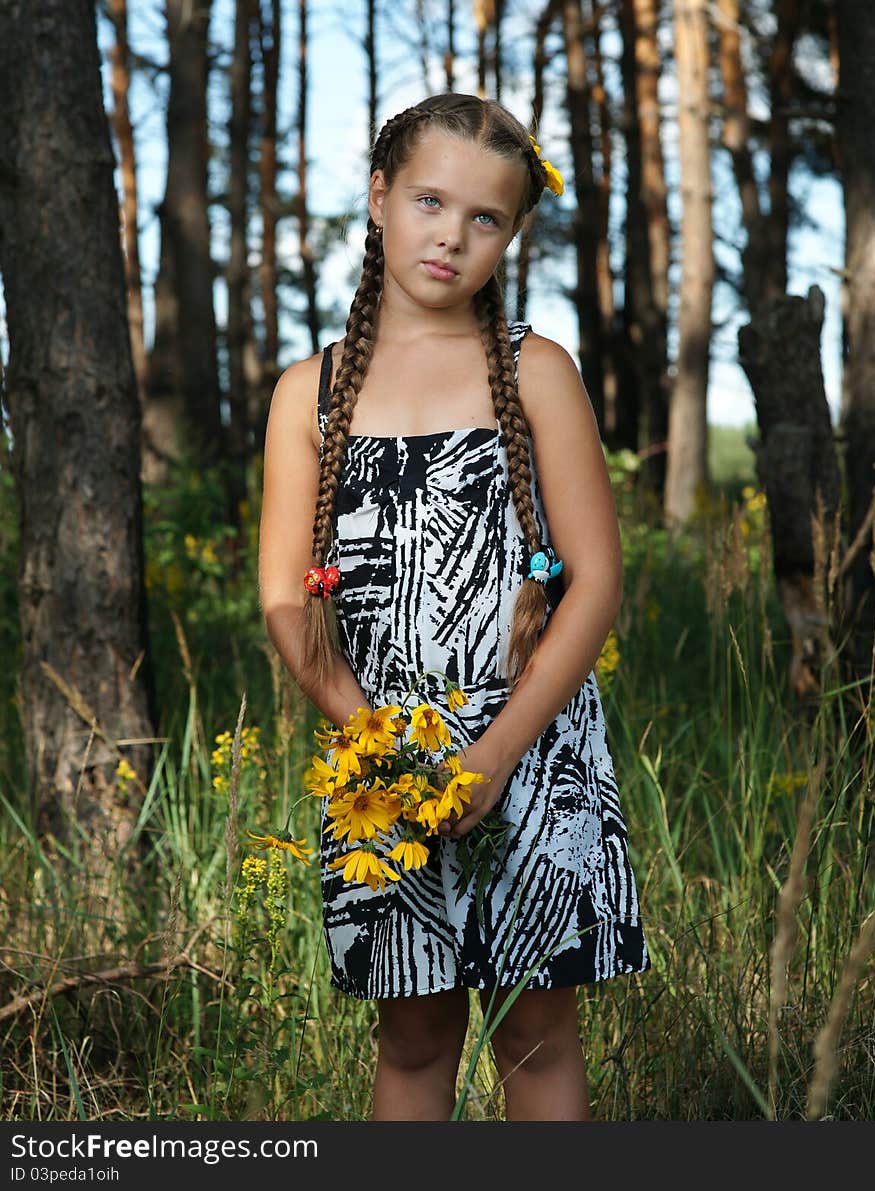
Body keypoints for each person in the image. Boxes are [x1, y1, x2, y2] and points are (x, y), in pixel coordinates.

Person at [258, 92, 650, 1122]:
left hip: (534, 755)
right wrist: (383, 751)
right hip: (382, 767)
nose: (451, 234)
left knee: (536, 1036)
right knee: (414, 1037)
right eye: (429, 200)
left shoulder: (536, 372)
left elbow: (594, 583)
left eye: (486, 218)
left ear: (511, 236)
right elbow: (279, 598)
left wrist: (492, 754)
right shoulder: (310, 393)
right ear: (380, 197)